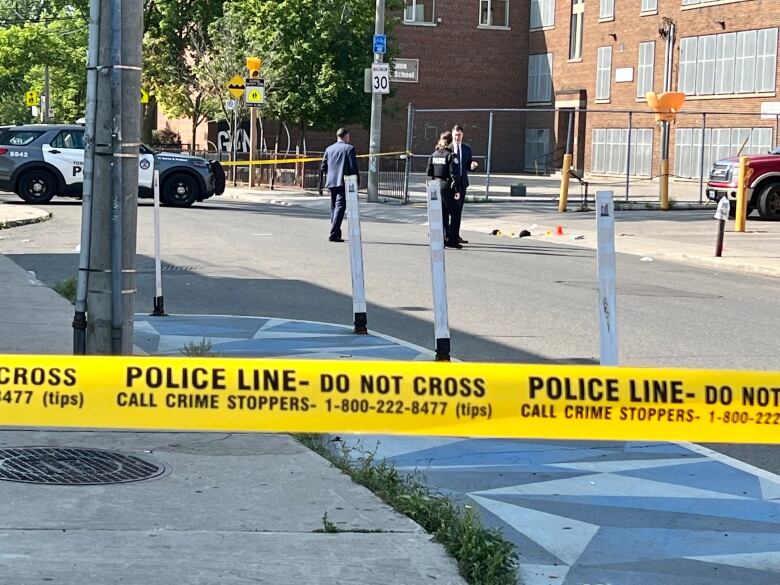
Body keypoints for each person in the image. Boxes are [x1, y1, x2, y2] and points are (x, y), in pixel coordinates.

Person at [320, 128, 359, 242]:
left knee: (334, 208)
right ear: (346, 136)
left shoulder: (329, 149)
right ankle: (333, 233)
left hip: (332, 182)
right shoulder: (349, 148)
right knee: (340, 207)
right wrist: (356, 181)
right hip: (343, 182)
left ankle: (336, 233)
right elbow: (353, 167)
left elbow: (323, 167)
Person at [426, 131, 464, 249]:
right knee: (456, 213)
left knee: (441, 213)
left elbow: (429, 172)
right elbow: (454, 174)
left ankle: (441, 238)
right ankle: (452, 240)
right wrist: (457, 190)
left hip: (434, 185)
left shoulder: (434, 154)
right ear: (450, 142)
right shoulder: (450, 156)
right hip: (446, 186)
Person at [451, 124, 478, 244]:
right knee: (449, 210)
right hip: (450, 184)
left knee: (458, 210)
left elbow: (468, 165)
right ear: (452, 135)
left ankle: (455, 235)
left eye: (459, 135)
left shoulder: (467, 148)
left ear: (462, 136)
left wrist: (472, 166)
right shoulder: (448, 148)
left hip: (462, 183)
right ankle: (448, 234)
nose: (457, 137)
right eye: (455, 135)